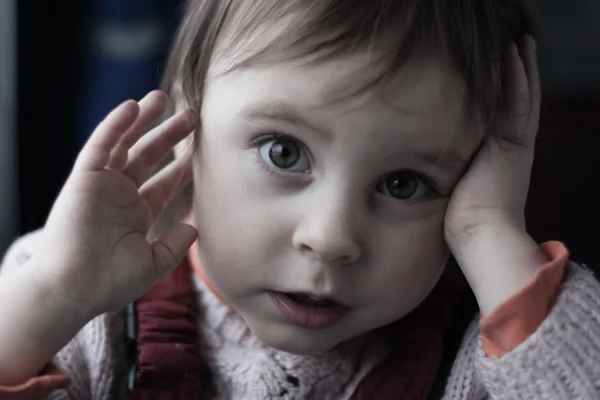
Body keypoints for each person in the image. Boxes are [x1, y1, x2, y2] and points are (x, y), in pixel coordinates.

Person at [1, 0, 599, 399]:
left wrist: (491, 232)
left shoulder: (480, 362)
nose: (331, 236)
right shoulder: (82, 308)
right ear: (189, 126)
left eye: (404, 183)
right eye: (283, 152)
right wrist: (49, 299)